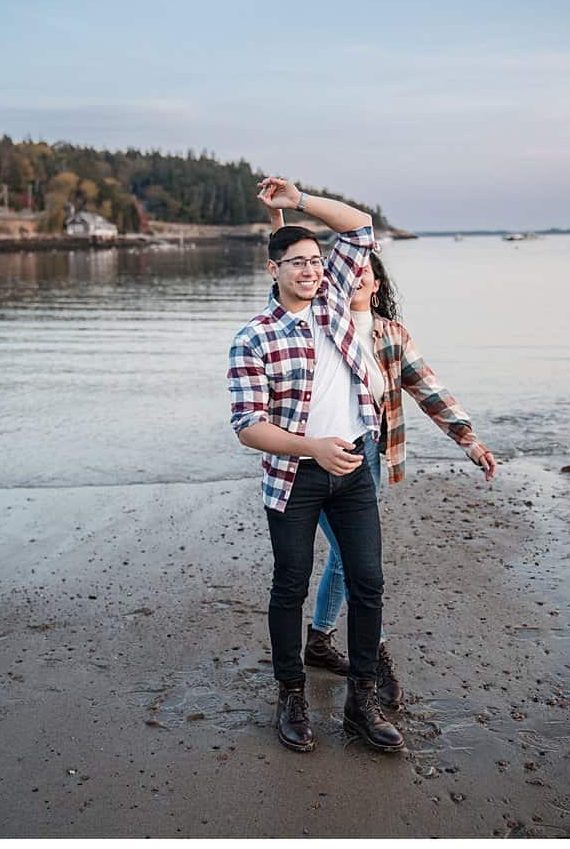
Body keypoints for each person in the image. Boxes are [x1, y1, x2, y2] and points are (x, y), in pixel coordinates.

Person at [268, 210, 499, 712]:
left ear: (374, 284)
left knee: (351, 560)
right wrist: (279, 218)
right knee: (352, 563)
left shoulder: (391, 335)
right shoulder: (320, 322)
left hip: (367, 456)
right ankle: (374, 650)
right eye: (348, 271)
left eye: (365, 273)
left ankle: (322, 639)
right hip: (308, 464)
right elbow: (285, 273)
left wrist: (469, 440)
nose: (355, 277)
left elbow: (428, 390)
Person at [227, 176, 402, 753]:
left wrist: (297, 202)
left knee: (368, 582)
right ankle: (291, 694)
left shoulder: (334, 304)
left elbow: (360, 226)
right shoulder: (253, 338)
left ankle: (361, 700)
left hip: (352, 463)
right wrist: (311, 448)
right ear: (272, 270)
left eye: (315, 260)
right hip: (294, 477)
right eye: (296, 262)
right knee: (291, 583)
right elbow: (248, 426)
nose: (310, 269)